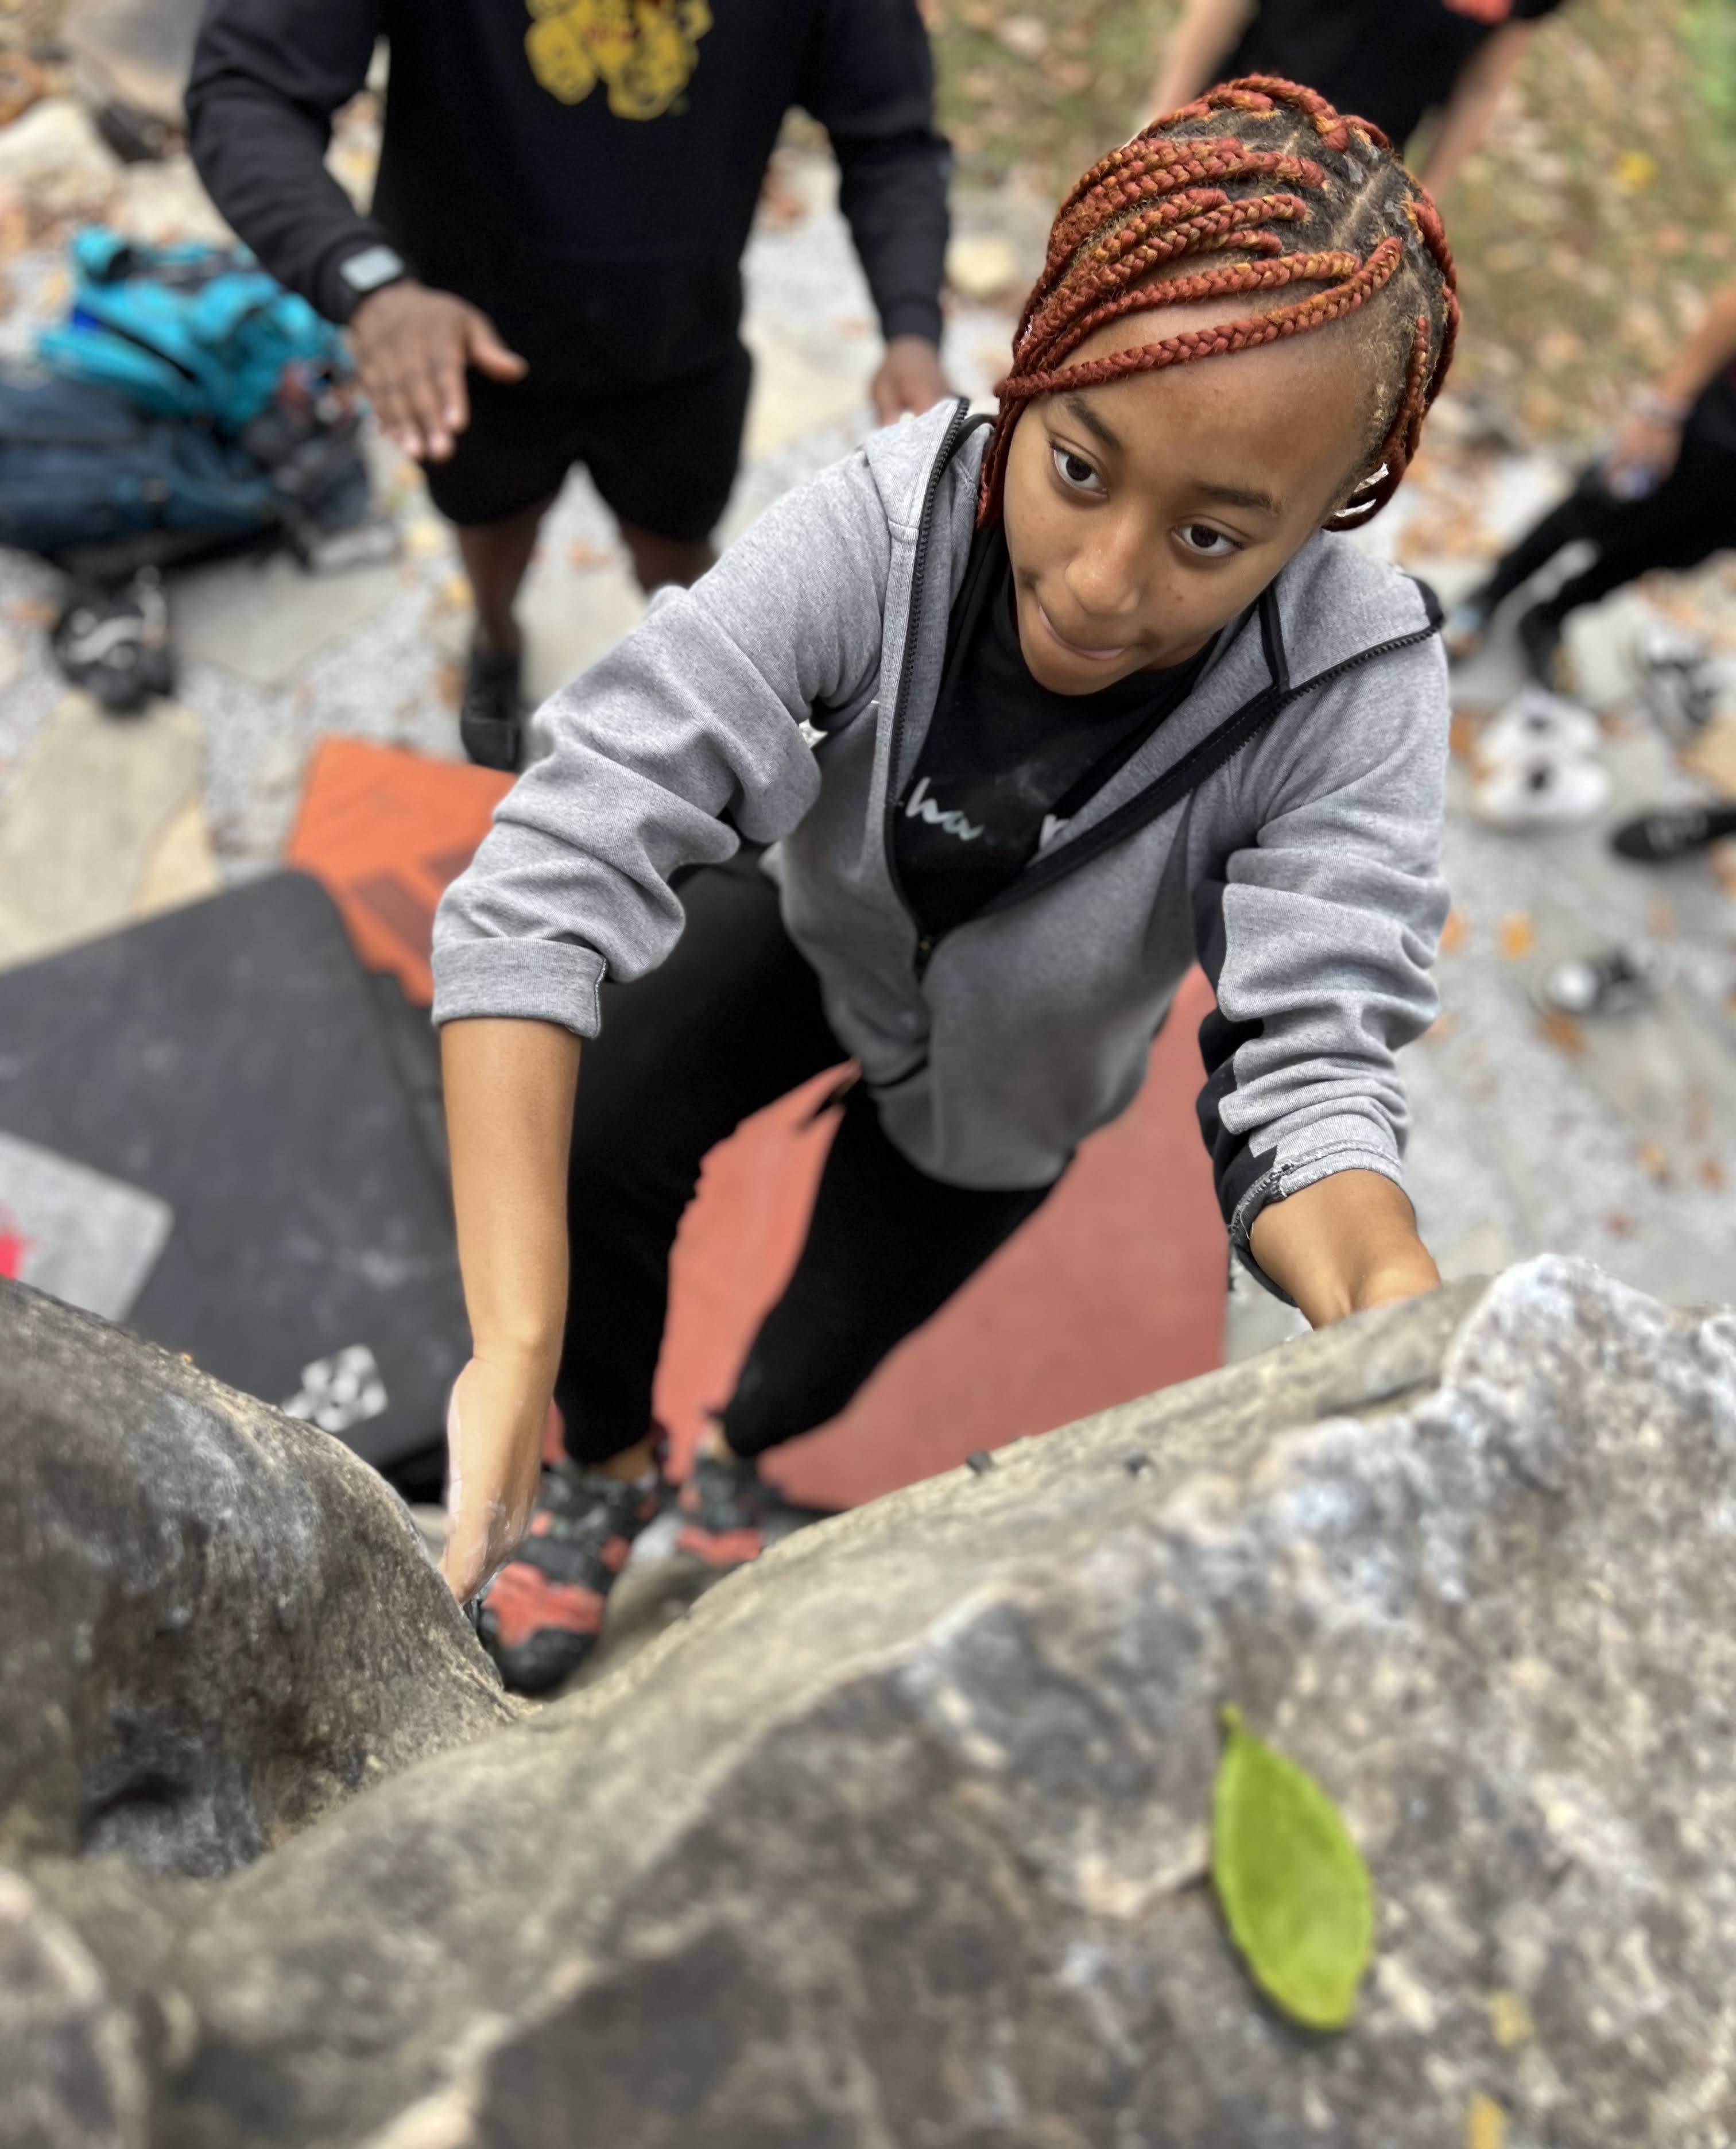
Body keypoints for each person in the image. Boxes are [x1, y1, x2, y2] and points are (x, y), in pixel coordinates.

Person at [431, 76, 1459, 1693]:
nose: (1104, 582)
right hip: (824, 912)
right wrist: (519, 1345)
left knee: (830, 1345)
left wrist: (1402, 1321)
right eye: (1078, 465)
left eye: (1213, 540)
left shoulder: (1351, 683)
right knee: (611, 1121)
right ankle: (609, 1472)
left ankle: (733, 1467)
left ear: (1332, 515)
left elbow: (1314, 1068)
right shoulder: (886, 522)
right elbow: (555, 858)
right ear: (1033, 361)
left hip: (1019, 1087)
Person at [185, 0, 954, 772]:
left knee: (680, 544)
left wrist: (912, 326)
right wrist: (370, 283)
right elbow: (246, 88)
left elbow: (890, 139)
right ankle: (495, 639)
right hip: (464, 340)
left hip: (679, 340)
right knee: (487, 520)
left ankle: (702, 682)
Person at [1445, 282, 1736, 696]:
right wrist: (1664, 409)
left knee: (1661, 550)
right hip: (1715, 427)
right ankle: (1492, 592)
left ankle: (1550, 617)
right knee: (1596, 507)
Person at [1145, 0, 1567, 193]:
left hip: (1351, 185)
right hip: (1226, 130)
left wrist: (1427, 204)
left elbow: (1483, 85)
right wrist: (1160, 120)